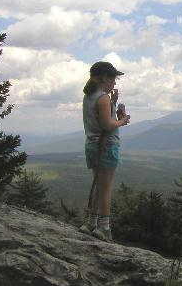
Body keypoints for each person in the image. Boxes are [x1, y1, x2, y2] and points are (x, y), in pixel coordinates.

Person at [79, 61, 130, 242]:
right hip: (106, 147)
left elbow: (100, 119)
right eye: (113, 78)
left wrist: (113, 103)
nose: (114, 83)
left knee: (99, 185)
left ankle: (91, 223)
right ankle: (105, 228)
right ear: (103, 78)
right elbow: (108, 125)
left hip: (92, 146)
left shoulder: (89, 97)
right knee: (106, 187)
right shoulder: (102, 98)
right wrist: (123, 121)